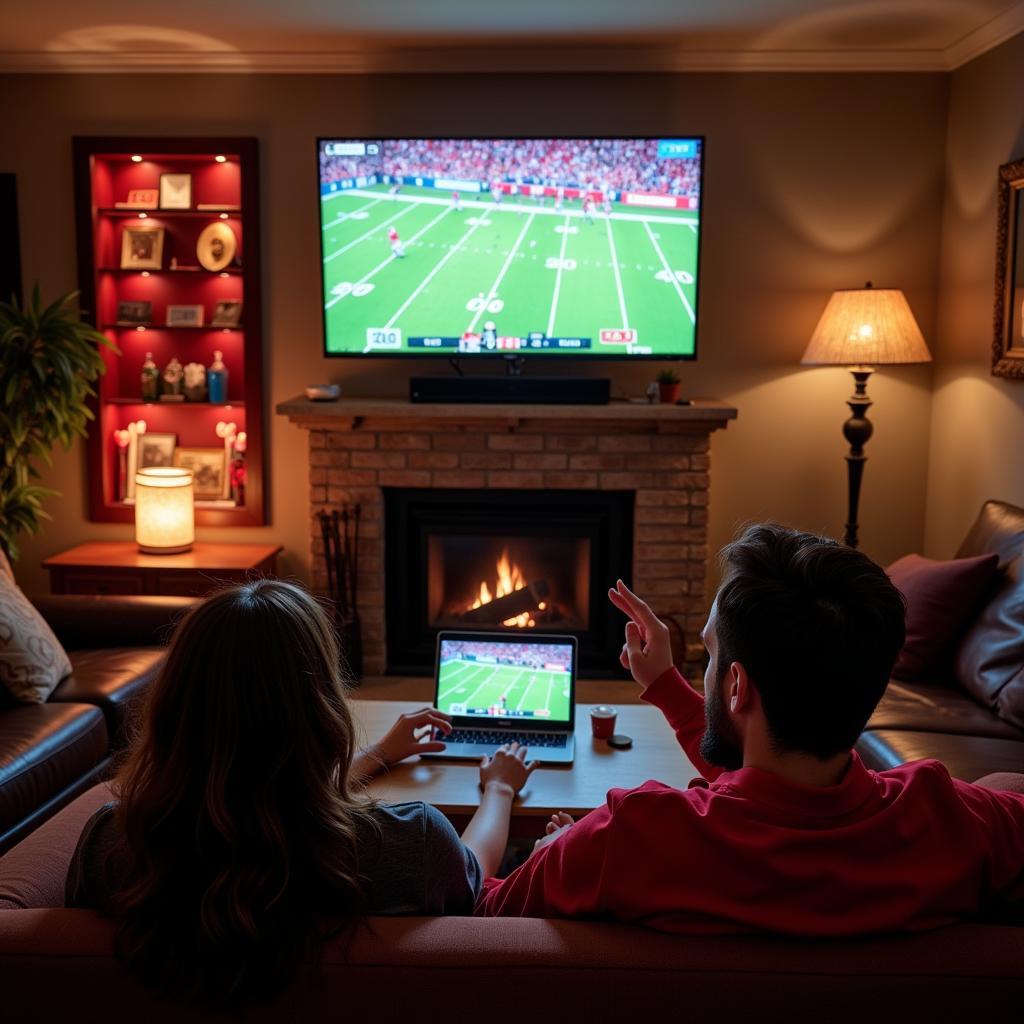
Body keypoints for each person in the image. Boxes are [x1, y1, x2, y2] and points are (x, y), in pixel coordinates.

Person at [476, 524, 1024, 934]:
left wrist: (553, 851)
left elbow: (482, 909)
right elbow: (771, 795)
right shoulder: (965, 820)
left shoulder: (626, 839)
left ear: (736, 687)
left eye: (709, 654)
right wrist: (665, 684)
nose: (703, 666)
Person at [66, 580, 535, 1006]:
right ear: (322, 707)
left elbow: (253, 792)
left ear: (173, 706)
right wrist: (498, 789)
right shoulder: (413, 841)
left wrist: (376, 755)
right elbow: (472, 872)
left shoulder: (109, 842)